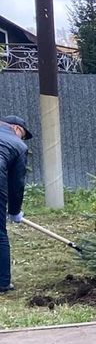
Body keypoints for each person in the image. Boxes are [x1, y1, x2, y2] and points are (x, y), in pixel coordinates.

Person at [0, 115, 32, 294]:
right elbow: (16, 184)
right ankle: (3, 282)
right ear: (17, 129)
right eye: (24, 135)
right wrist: (14, 211)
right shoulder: (18, 145)